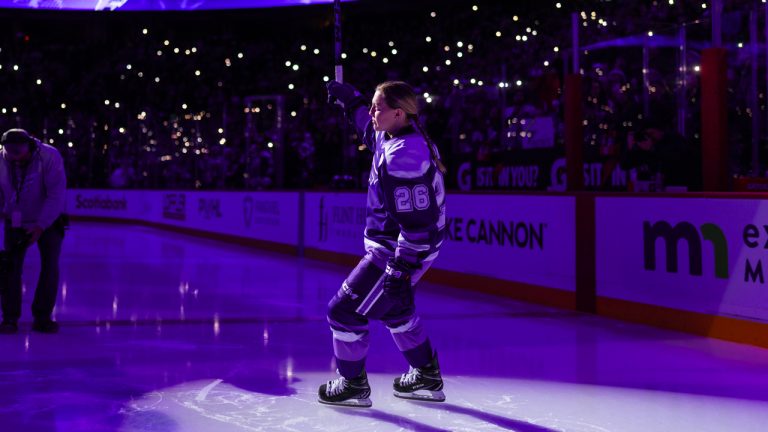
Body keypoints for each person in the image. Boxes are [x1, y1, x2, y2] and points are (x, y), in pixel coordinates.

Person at [318, 81, 447, 407]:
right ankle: (426, 376)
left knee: (343, 311)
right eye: (373, 107)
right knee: (396, 309)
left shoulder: (406, 156)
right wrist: (353, 101)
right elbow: (367, 128)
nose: (373, 113)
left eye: (379, 108)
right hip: (401, 247)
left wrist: (400, 268)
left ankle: (352, 385)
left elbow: (418, 221)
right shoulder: (396, 135)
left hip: (395, 250)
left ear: (398, 113)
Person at [0, 129, 67, 334]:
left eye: (18, 153)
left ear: (29, 146)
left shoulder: (49, 156)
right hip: (16, 219)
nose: (14, 158)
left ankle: (43, 316)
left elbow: (56, 195)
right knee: (11, 268)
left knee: (49, 267)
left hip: (49, 219)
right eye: (9, 153)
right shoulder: (2, 158)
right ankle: (10, 318)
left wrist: (40, 226)